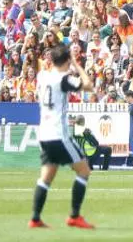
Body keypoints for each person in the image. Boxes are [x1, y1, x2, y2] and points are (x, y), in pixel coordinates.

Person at [29, 44, 95, 229]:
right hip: (59, 134)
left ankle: (35, 218)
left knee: (46, 178)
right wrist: (76, 64)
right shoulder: (64, 79)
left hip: (44, 134)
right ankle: (74, 216)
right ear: (67, 60)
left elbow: (44, 68)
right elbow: (88, 85)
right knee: (84, 171)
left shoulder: (43, 76)